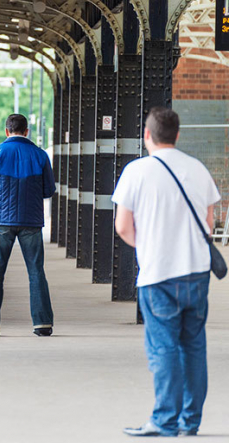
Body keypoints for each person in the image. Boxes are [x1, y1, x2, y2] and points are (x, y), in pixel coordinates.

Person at [114, 107, 220, 437]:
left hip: (158, 276)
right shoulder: (198, 169)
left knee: (163, 349)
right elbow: (210, 222)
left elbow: (122, 227)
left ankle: (164, 420)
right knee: (193, 346)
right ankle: (191, 421)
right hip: (197, 273)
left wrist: (150, 249)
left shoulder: (136, 171)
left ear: (147, 135)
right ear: (177, 135)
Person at [0, 114, 56, 337]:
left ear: (6, 131)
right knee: (36, 272)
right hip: (31, 221)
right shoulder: (40, 155)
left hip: (1, 221)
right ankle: (42, 324)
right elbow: (49, 190)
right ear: (26, 131)